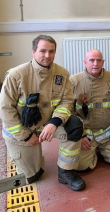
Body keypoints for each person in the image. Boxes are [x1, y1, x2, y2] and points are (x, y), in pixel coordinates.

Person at [0, 35, 86, 191]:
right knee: (32, 176)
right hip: (22, 131)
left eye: (51, 51)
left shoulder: (62, 74)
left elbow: (66, 102)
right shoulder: (16, 75)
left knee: (74, 125)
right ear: (33, 52)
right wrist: (25, 135)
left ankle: (66, 171)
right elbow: (5, 110)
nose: (47, 55)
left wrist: (54, 122)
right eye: (43, 51)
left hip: (47, 124)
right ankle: (29, 157)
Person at [70, 49, 110, 172]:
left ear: (103, 62)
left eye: (99, 60)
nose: (95, 64)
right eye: (91, 60)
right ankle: (93, 151)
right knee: (80, 166)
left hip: (108, 134)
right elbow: (70, 113)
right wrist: (80, 135)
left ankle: (103, 149)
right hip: (86, 136)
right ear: (85, 62)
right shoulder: (74, 82)